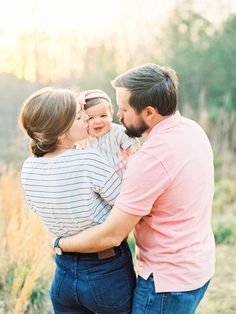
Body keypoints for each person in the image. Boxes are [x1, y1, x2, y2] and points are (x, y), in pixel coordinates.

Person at [48, 64, 216, 314]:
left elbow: (112, 235)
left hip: (166, 282)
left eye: (124, 109)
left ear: (149, 112)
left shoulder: (150, 158)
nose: (118, 115)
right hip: (198, 265)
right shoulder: (191, 129)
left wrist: (60, 243)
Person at [20, 87, 136, 314]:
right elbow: (126, 204)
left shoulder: (28, 168)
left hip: (63, 274)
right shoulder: (89, 160)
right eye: (79, 115)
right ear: (62, 130)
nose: (87, 118)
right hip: (106, 273)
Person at [78, 89, 140, 177]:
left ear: (110, 115)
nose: (98, 121)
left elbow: (132, 145)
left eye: (103, 116)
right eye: (91, 118)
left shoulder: (117, 131)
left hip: (120, 180)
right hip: (97, 184)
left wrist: (135, 152)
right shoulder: (84, 137)